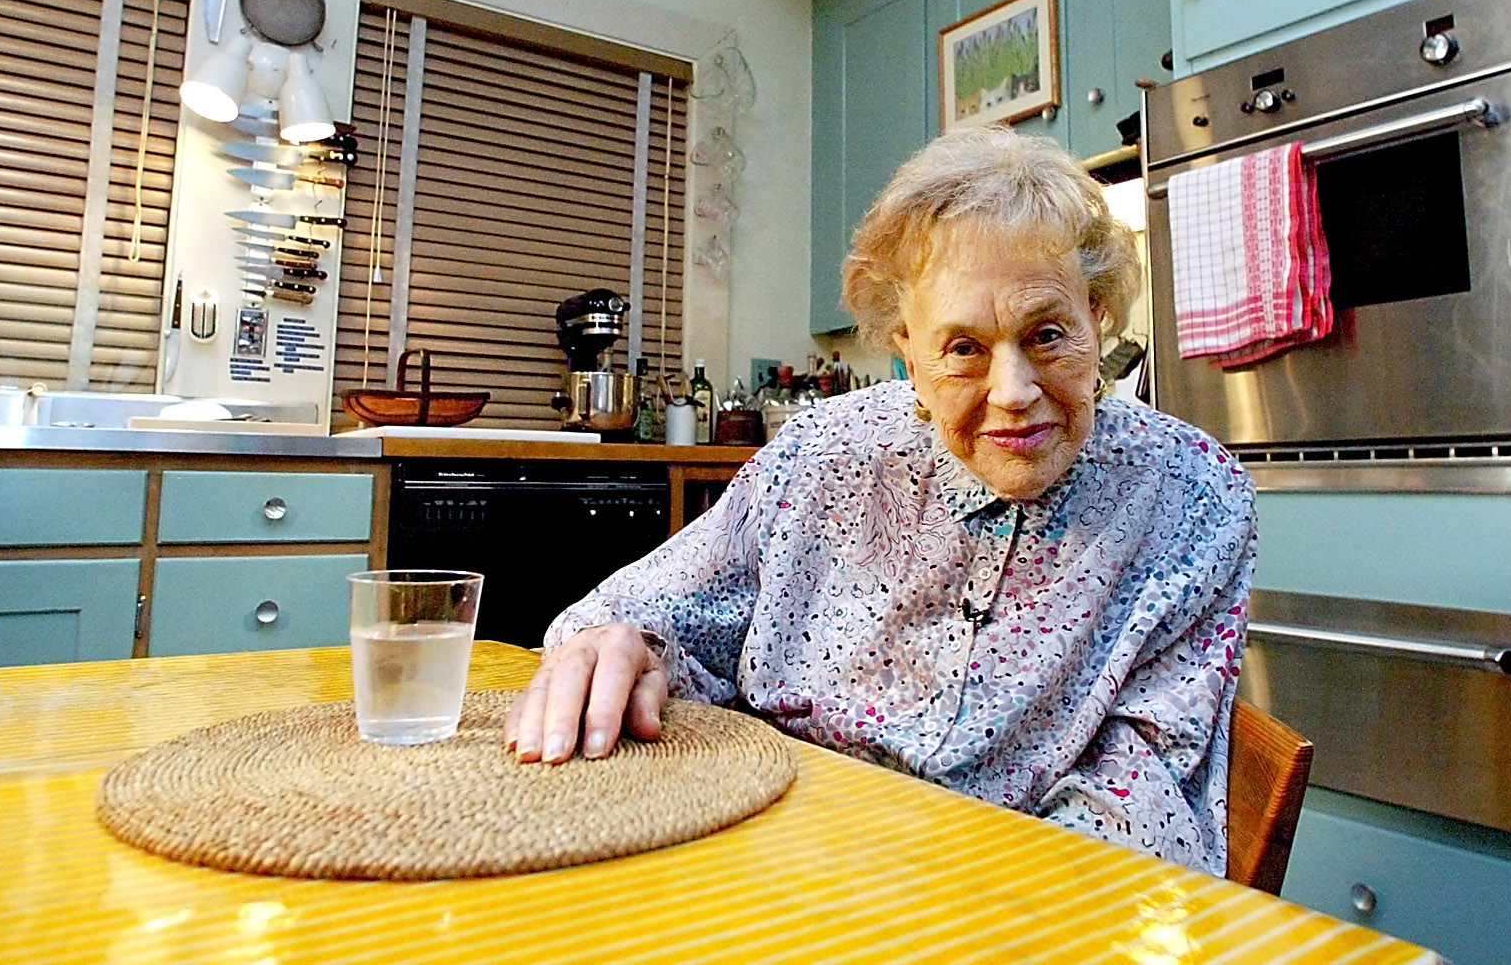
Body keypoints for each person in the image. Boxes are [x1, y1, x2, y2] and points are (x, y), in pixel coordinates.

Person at [505, 126, 1257, 874]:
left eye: (1049, 333)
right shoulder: (824, 452)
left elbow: (1135, 813)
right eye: (963, 348)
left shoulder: (1190, 496)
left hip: (1009, 907)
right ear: (905, 346)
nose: (1015, 393)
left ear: (1098, 317)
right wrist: (619, 640)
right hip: (765, 862)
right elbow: (654, 611)